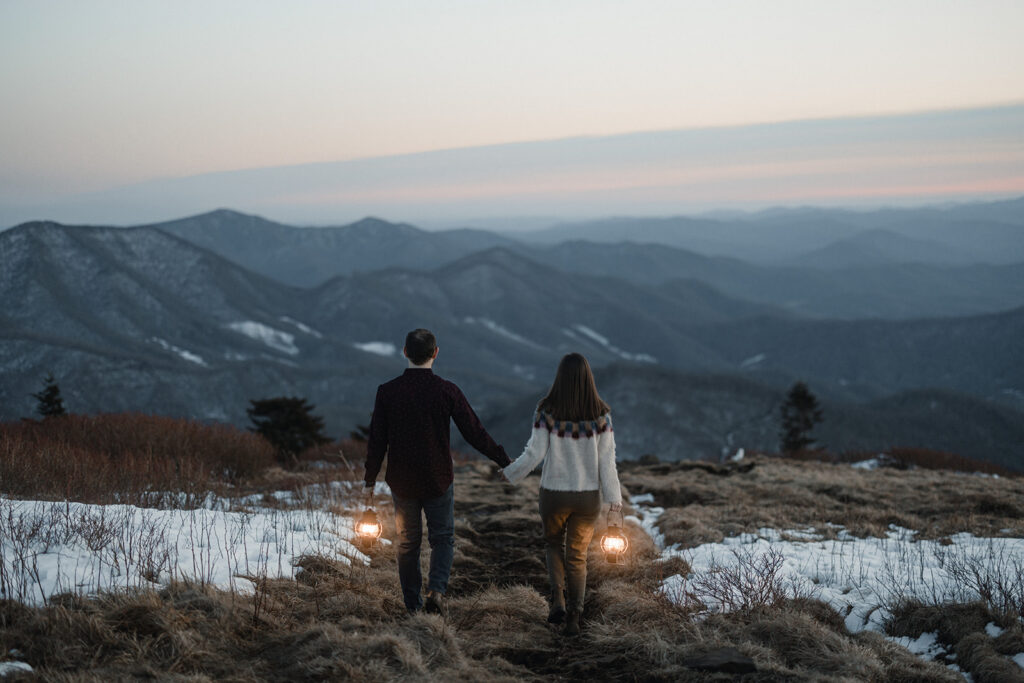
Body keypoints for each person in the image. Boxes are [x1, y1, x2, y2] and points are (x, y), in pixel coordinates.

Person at [365, 328, 511, 616]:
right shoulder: (447, 391)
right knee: (443, 538)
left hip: (403, 481)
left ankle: (412, 606)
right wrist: (503, 459)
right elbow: (474, 432)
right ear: (435, 353)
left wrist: (369, 481)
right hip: (438, 477)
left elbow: (377, 440)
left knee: (408, 543)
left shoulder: (388, 392)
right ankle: (437, 590)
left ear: (405, 352)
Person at [501, 352, 622, 636]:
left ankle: (557, 599)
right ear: (588, 378)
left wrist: (511, 473)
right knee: (577, 555)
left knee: (553, 545)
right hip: (587, 497)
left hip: (554, 494)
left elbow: (535, 453)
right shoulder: (601, 414)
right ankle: (574, 617)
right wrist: (614, 503)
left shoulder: (546, 410)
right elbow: (607, 462)